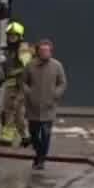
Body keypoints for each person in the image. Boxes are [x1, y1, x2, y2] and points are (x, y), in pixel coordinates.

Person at [21, 37, 68, 170]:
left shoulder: (57, 66)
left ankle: (41, 158)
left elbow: (62, 82)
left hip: (49, 105)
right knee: (34, 133)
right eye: (43, 51)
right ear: (38, 52)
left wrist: (56, 94)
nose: (46, 53)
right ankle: (38, 153)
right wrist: (28, 93)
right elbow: (23, 81)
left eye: (48, 51)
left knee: (46, 133)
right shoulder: (30, 65)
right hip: (33, 106)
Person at [0, 20, 32, 146]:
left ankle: (26, 137)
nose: (11, 38)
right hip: (10, 85)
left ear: (20, 36)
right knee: (7, 112)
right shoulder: (8, 50)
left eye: (14, 35)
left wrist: (13, 73)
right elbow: (7, 69)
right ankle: (7, 139)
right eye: (9, 35)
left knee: (17, 112)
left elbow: (27, 68)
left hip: (20, 85)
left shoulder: (23, 49)